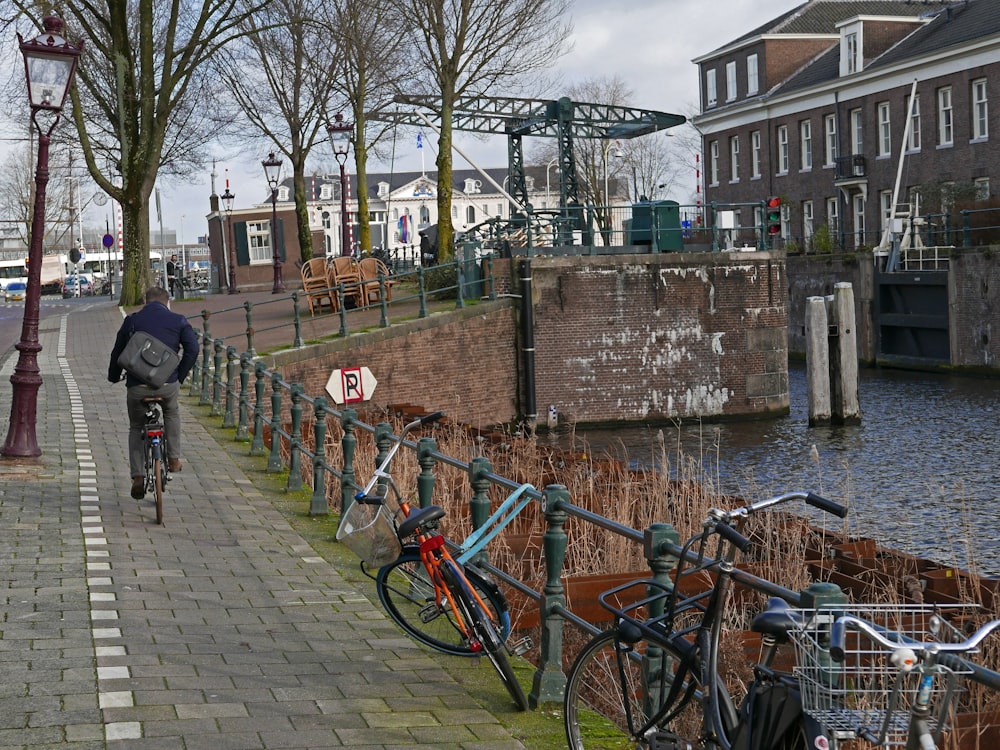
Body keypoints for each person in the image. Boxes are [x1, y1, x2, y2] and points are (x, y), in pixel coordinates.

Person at [108, 286, 199, 500]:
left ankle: (138, 477)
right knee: (171, 413)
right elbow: (193, 349)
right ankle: (174, 459)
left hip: (137, 386)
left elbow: (117, 352)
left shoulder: (132, 321)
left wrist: (114, 376)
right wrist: (179, 375)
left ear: (146, 301)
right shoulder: (178, 320)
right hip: (167, 385)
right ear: (167, 303)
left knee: (136, 426)